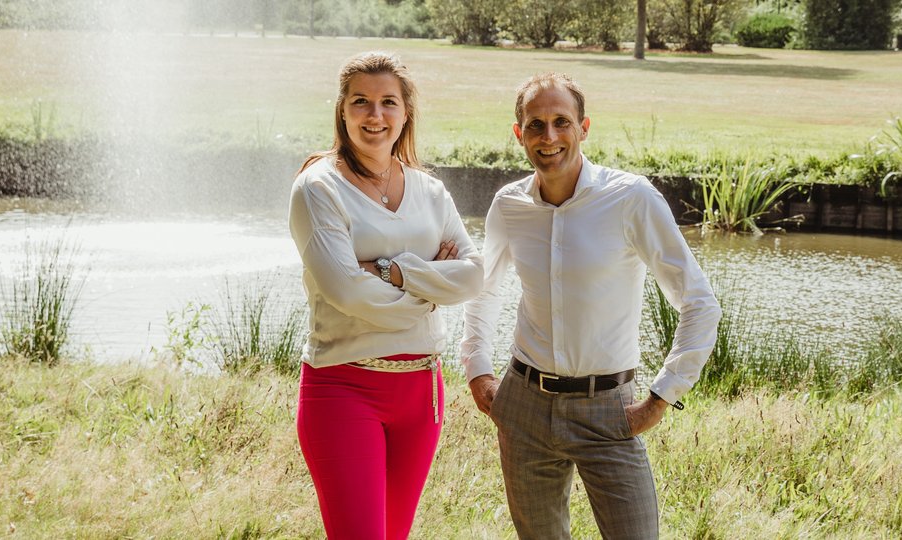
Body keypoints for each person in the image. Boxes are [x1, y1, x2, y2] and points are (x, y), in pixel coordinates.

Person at [460, 72, 723, 539]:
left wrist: (661, 398)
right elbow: (485, 290)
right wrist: (478, 370)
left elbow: (699, 302)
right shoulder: (508, 205)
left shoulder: (630, 198)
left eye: (561, 122)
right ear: (519, 133)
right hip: (524, 404)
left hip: (608, 408)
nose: (549, 136)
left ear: (584, 128)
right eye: (536, 125)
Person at [287, 51, 485, 540]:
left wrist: (390, 271)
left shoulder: (431, 191)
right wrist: (432, 289)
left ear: (405, 111)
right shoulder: (318, 189)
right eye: (361, 101)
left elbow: (473, 277)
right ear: (342, 109)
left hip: (422, 394)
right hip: (343, 390)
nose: (374, 115)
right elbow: (349, 293)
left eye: (388, 102)